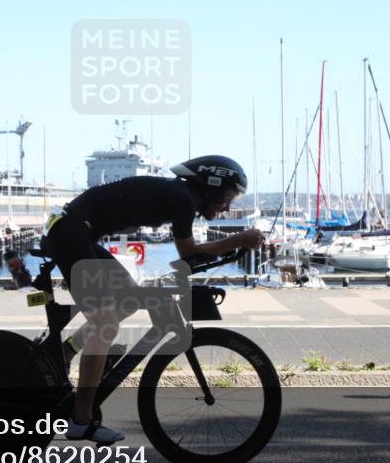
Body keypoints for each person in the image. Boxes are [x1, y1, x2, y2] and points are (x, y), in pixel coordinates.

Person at [42, 155, 264, 443]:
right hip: (70, 233)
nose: (228, 207)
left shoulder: (180, 196)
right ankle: (80, 420)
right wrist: (237, 241)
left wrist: (231, 246)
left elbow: (189, 257)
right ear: (213, 187)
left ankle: (65, 353)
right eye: (228, 197)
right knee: (105, 323)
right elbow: (188, 253)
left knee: (129, 298)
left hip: (75, 232)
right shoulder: (182, 198)